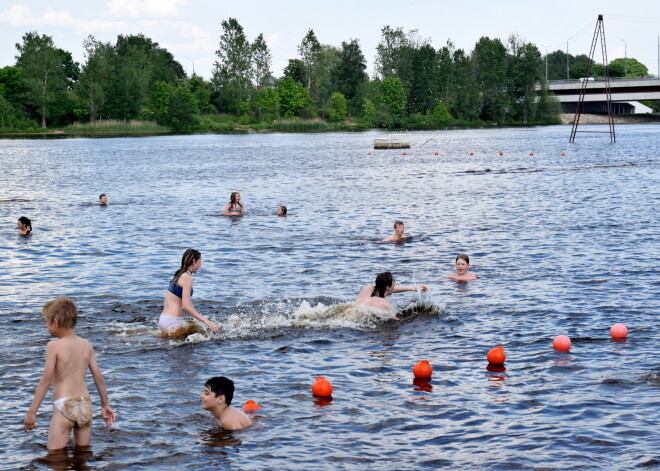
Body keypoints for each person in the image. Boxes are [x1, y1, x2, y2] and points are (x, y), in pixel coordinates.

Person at [23, 297, 116, 450]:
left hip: (64, 405)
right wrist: (105, 404)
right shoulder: (86, 345)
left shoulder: (54, 346)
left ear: (56, 322)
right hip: (85, 404)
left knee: (55, 455)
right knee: (82, 453)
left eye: (46, 321)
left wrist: (32, 412)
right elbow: (98, 377)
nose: (46, 325)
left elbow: (46, 380)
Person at [159, 249, 219, 335]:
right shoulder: (187, 278)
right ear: (194, 261)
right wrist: (206, 321)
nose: (201, 264)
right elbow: (185, 306)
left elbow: (188, 303)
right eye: (200, 261)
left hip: (165, 319)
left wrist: (199, 319)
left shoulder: (180, 274)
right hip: (172, 322)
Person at [355, 272, 428, 313]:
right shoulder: (383, 303)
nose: (395, 285)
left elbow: (391, 288)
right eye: (394, 283)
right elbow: (396, 321)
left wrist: (412, 288)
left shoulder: (368, 288)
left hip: (350, 311)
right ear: (387, 287)